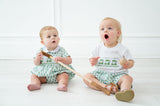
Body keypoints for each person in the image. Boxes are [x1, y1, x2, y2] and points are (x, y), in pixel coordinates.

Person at [83, 17, 134, 102]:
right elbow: (91, 58)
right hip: (101, 74)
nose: (105, 31)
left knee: (127, 79)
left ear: (118, 33)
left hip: (118, 75)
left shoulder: (122, 49)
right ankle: (105, 87)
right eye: (102, 29)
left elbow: (131, 61)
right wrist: (93, 61)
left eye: (109, 28)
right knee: (86, 77)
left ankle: (124, 91)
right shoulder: (98, 47)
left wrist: (128, 64)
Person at [27, 26, 75, 92]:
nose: (53, 37)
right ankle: (35, 84)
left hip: (58, 73)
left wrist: (62, 59)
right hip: (44, 75)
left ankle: (62, 85)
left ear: (58, 39)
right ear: (42, 42)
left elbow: (69, 61)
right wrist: (37, 59)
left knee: (64, 76)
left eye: (55, 35)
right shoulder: (41, 51)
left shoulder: (61, 50)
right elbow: (36, 63)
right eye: (49, 37)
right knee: (34, 76)